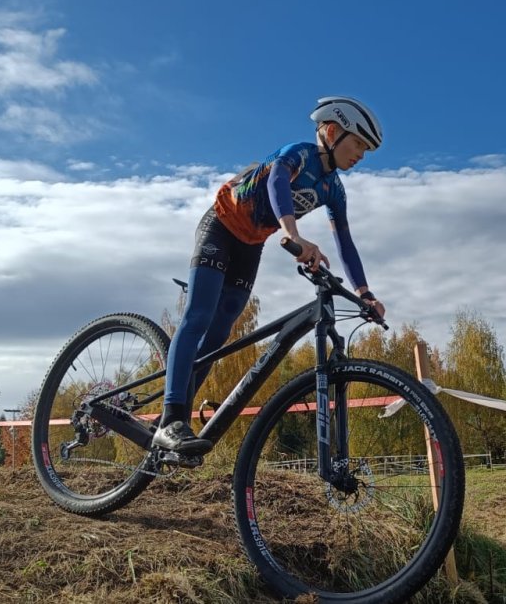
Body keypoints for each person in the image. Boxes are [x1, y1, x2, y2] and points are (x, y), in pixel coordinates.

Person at [152, 96, 387, 454]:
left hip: (251, 243)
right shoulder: (300, 153)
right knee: (200, 315)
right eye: (358, 144)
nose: (361, 155)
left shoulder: (333, 188)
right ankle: (170, 418)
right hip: (221, 225)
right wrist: (292, 233)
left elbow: (345, 241)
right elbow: (277, 181)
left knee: (219, 333)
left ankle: (178, 417)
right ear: (333, 131)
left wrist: (365, 292)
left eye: (367, 150)